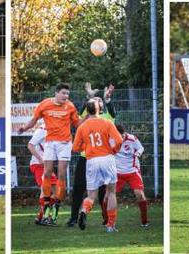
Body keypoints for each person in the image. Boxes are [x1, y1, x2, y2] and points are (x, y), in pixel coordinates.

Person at [16, 84, 79, 219]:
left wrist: (87, 121)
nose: (66, 96)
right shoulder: (44, 105)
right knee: (47, 173)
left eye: (67, 94)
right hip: (51, 143)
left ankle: (57, 204)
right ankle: (45, 204)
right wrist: (24, 128)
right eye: (63, 93)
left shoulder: (70, 106)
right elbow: (33, 120)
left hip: (65, 143)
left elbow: (77, 124)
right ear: (56, 93)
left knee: (61, 175)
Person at [72, 100, 124, 232]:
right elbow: (119, 140)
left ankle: (83, 211)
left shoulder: (82, 127)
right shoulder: (107, 123)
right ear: (98, 109)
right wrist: (114, 150)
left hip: (91, 160)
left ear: (87, 110)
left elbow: (75, 147)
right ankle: (111, 225)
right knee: (111, 192)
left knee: (91, 195)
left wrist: (88, 147)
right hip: (107, 158)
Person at [114, 124, 150, 227]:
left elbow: (141, 148)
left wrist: (138, 153)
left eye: (120, 136)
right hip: (117, 172)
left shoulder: (132, 139)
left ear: (123, 134)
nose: (118, 139)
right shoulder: (111, 139)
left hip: (132, 171)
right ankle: (108, 222)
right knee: (108, 196)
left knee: (140, 195)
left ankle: (144, 221)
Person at [27, 121, 59, 226]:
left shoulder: (54, 129)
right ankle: (45, 218)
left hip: (46, 166)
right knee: (45, 189)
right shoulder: (42, 130)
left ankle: (41, 217)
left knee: (57, 192)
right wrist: (40, 159)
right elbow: (30, 145)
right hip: (38, 165)